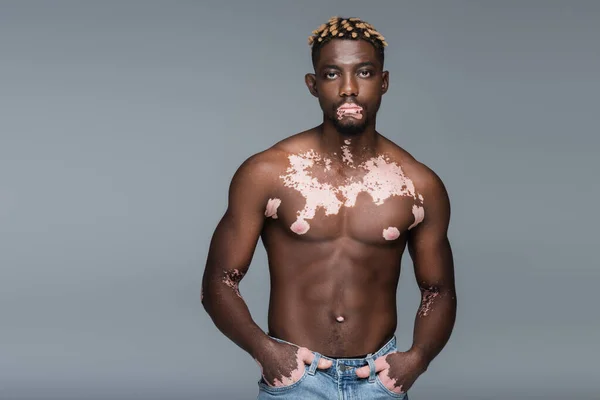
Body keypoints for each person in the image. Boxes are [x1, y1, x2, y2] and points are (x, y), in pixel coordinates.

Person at [202, 15, 457, 399]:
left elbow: (438, 290)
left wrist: (417, 359)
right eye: (333, 74)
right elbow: (218, 282)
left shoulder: (417, 185)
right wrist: (265, 352)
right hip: (296, 380)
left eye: (365, 72)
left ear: (383, 82)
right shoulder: (268, 173)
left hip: (379, 381)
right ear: (313, 84)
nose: (349, 89)